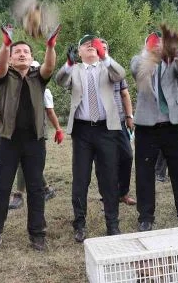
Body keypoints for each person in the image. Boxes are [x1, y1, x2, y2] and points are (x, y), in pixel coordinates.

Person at [0, 26, 60, 254]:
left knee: (36, 188)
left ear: (32, 58)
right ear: (11, 59)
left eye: (26, 52)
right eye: (17, 52)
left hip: (35, 141)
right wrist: (6, 44)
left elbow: (50, 66)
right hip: (8, 141)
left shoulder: (38, 78)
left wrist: (51, 46)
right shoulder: (3, 77)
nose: (22, 54)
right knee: (1, 189)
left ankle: (37, 235)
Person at [56, 34, 127, 242]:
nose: (90, 46)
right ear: (78, 52)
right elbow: (60, 81)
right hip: (82, 131)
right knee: (81, 178)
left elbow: (121, 74)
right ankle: (79, 224)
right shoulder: (75, 70)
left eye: (92, 44)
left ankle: (112, 224)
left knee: (108, 177)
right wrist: (68, 64)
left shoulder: (107, 67)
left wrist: (105, 56)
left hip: (106, 130)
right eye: (85, 45)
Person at [131, 32, 178, 231]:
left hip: (173, 124)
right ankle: (146, 216)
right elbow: (137, 70)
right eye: (154, 43)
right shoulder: (139, 60)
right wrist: (149, 53)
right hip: (147, 126)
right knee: (144, 172)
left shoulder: (172, 62)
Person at [7, 87, 62, 210]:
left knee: (27, 162)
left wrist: (58, 128)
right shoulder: (19, 88)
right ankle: (47, 189)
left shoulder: (44, 91)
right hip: (21, 131)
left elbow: (50, 111)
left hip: (37, 132)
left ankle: (19, 195)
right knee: (28, 163)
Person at [102, 39, 137, 207]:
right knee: (105, 160)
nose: (101, 51)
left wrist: (129, 116)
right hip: (100, 124)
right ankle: (108, 195)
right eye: (98, 48)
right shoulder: (89, 70)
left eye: (104, 48)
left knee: (127, 156)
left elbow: (125, 94)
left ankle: (123, 193)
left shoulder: (116, 69)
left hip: (120, 121)